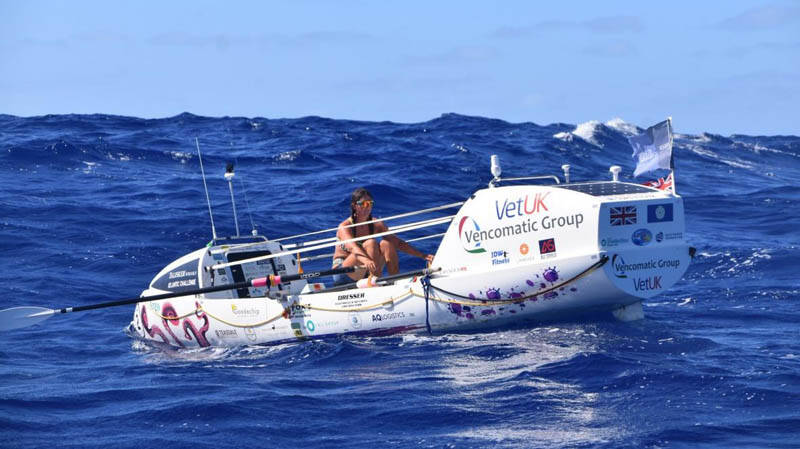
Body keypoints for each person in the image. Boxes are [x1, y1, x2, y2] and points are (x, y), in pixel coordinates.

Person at [331, 187, 434, 285]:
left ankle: (394, 281)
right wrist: (366, 260)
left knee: (387, 244)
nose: (367, 207)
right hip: (343, 273)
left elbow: (398, 243)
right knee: (371, 243)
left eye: (370, 203)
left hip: (366, 268)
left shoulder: (376, 224)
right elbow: (352, 247)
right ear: (354, 206)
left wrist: (423, 256)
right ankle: (374, 284)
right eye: (363, 204)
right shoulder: (344, 227)